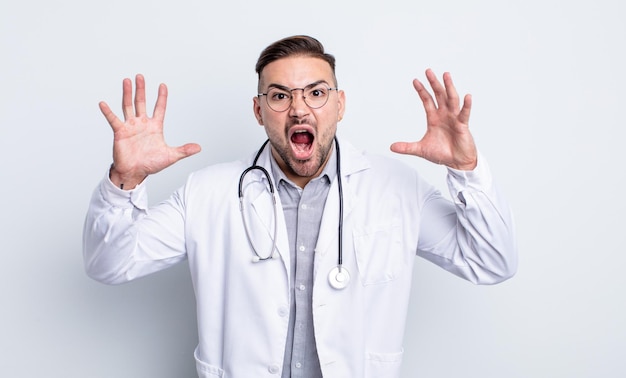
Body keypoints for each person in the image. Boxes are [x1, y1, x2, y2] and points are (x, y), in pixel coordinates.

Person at [83, 35, 517, 378]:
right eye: (279, 96)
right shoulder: (208, 193)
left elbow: (493, 262)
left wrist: (466, 170)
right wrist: (126, 180)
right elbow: (109, 264)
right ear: (258, 111)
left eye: (315, 92)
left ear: (340, 104)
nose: (298, 110)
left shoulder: (396, 188)